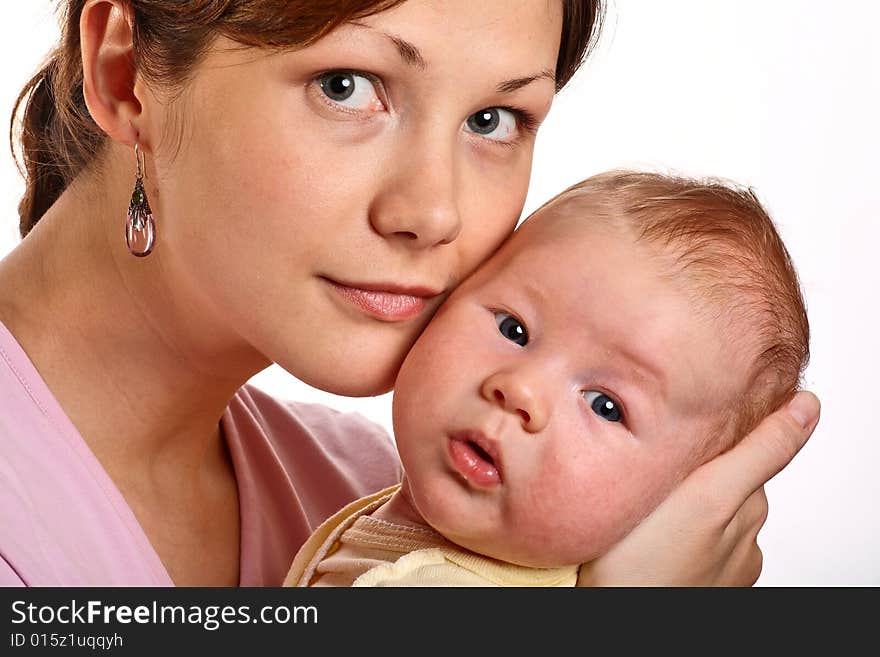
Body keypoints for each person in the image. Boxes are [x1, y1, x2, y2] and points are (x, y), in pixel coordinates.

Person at [0, 0, 818, 587]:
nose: (434, 211)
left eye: (494, 119)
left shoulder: (384, 497)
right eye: (349, 86)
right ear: (126, 73)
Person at [286, 170, 812, 587]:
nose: (521, 391)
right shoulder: (368, 494)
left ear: (683, 505)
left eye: (605, 405)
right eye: (514, 329)